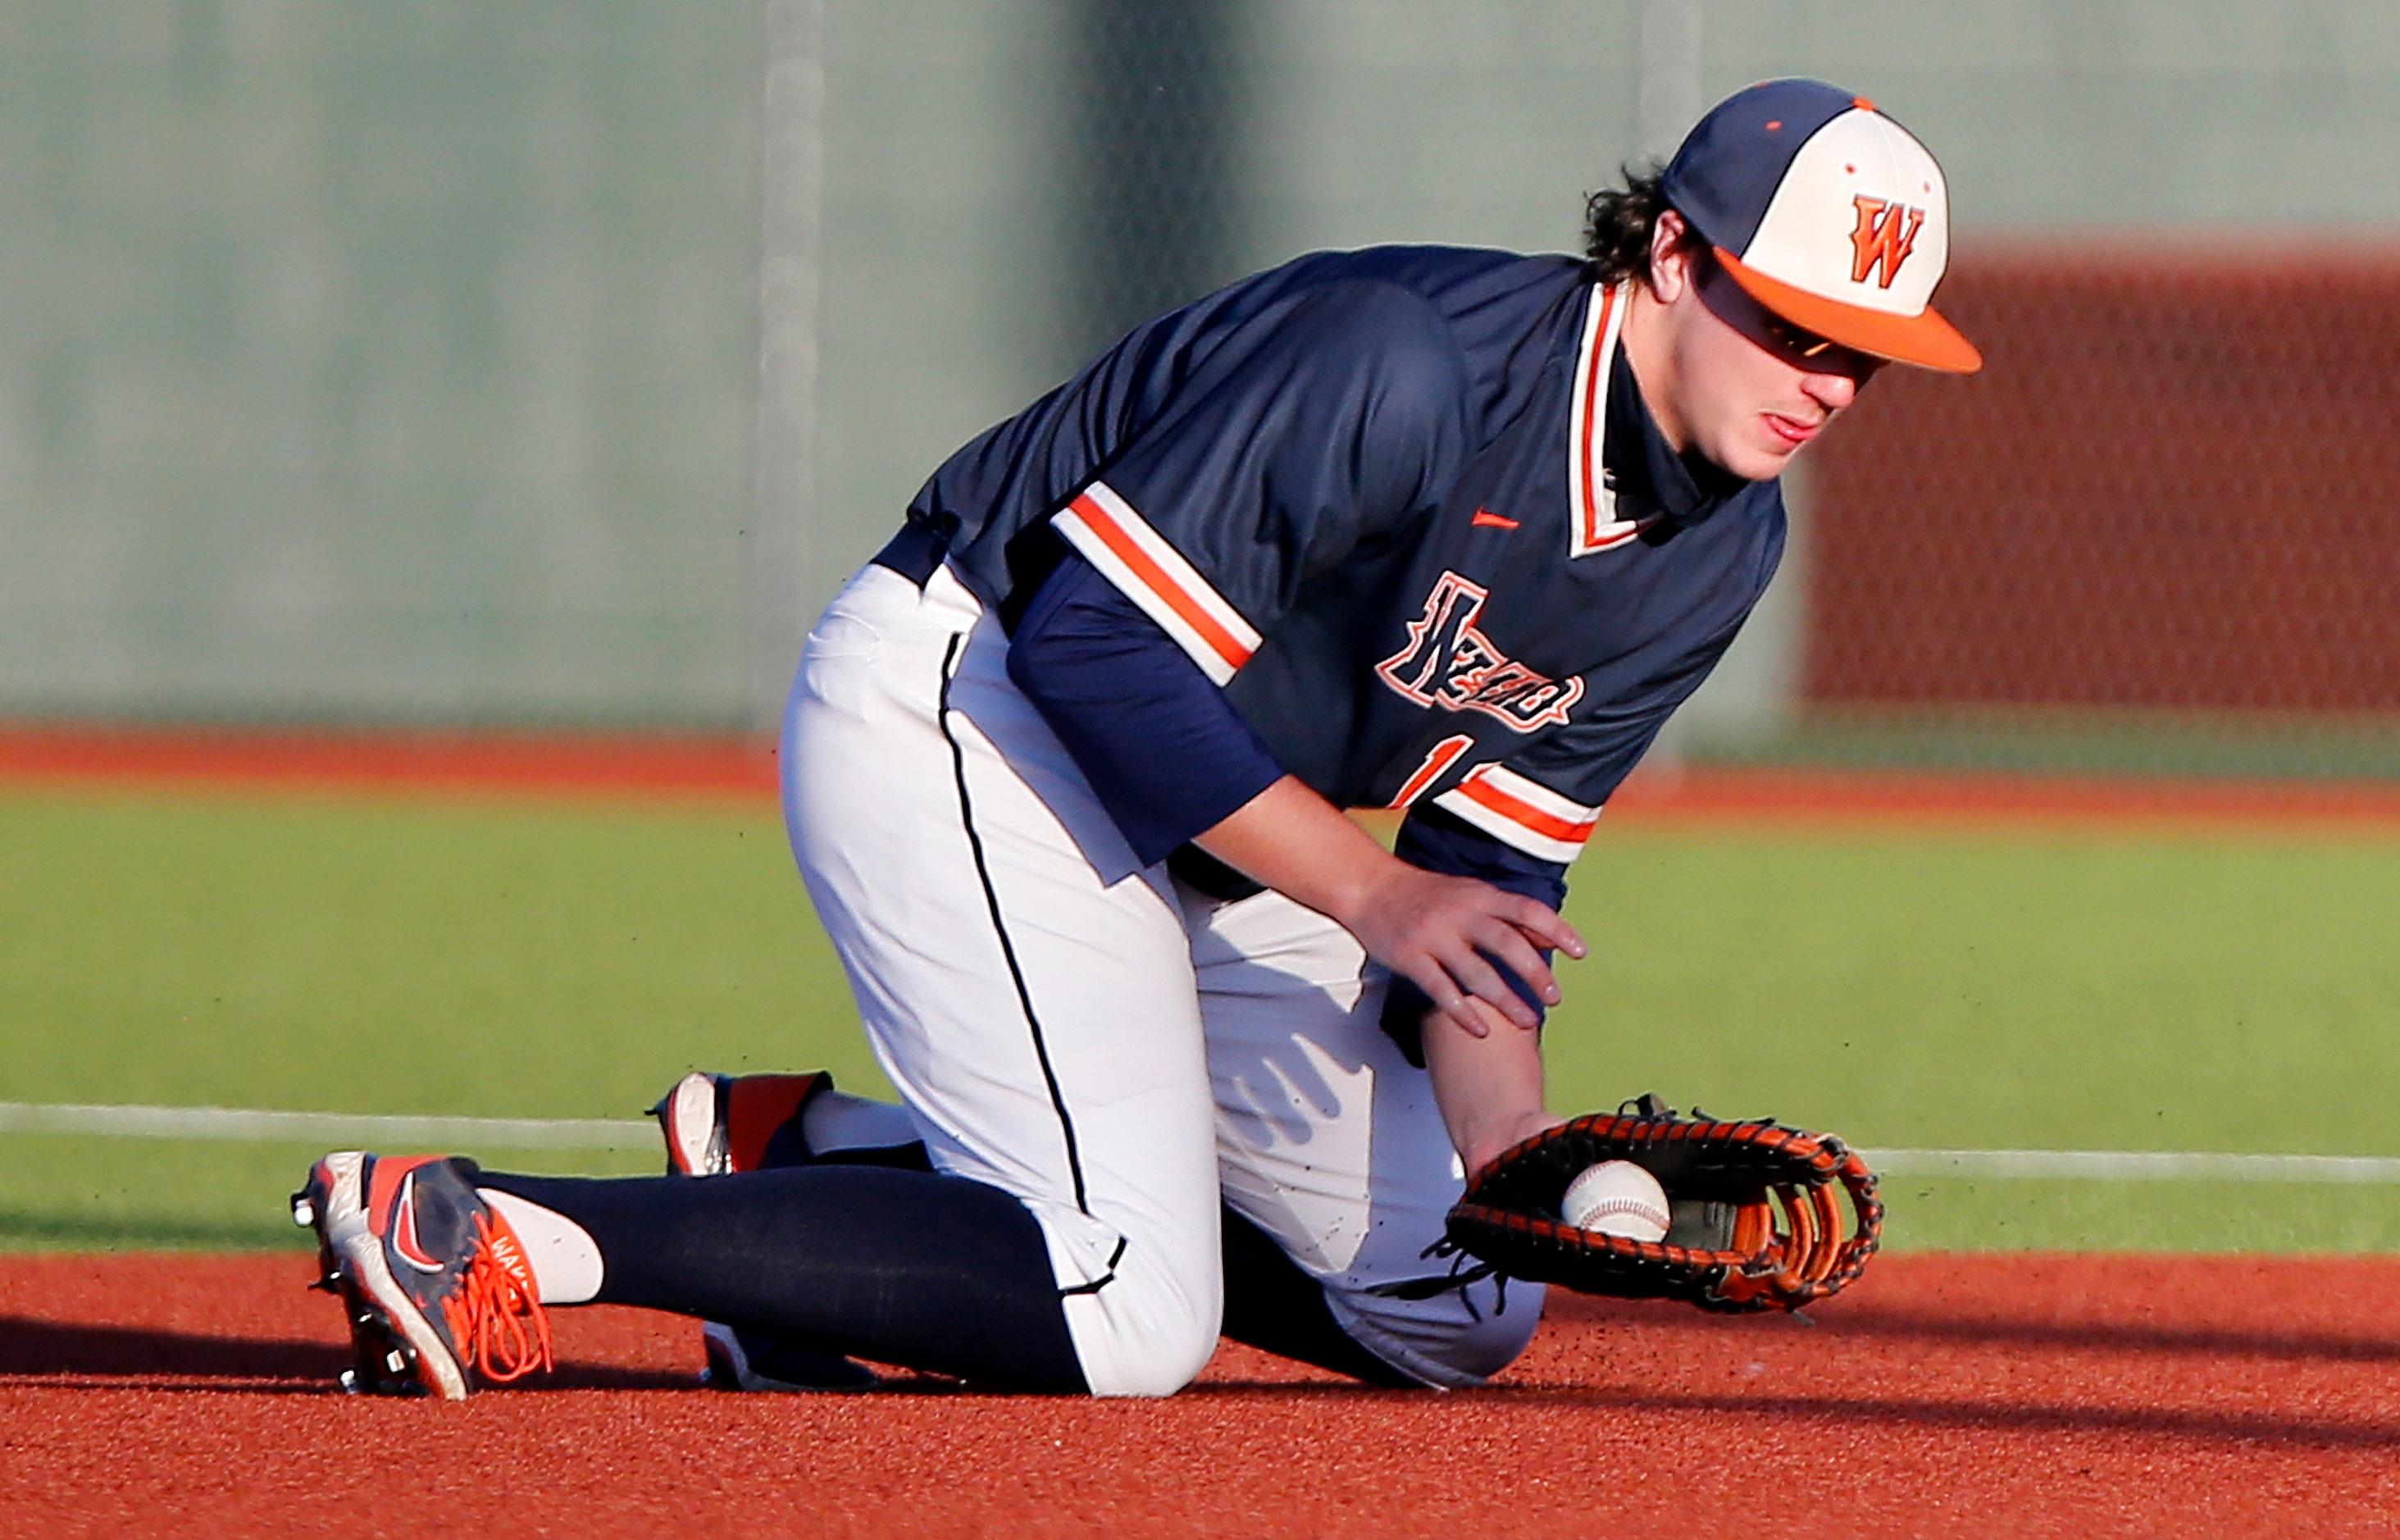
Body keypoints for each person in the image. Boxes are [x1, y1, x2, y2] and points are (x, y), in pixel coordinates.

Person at [295, 78, 1979, 1401]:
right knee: (1127, 1310)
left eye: (1870, 358)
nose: (1829, 382)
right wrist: (1372, 901)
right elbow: (1094, 649)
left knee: (1466, 1308)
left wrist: (1517, 1165)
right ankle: (486, 1229)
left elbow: (1480, 895)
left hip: (1216, 832)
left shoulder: (1718, 546)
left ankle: (799, 1167)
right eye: (1799, 324)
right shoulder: (1401, 364)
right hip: (977, 706)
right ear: (1675, 258)